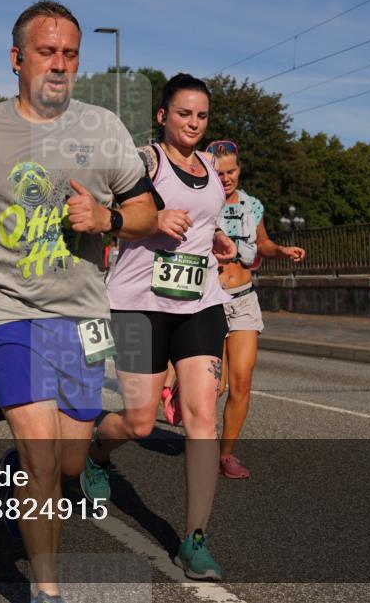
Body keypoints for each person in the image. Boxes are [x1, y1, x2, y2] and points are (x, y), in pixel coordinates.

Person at [0, 0, 159, 603]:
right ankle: (46, 591)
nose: (59, 64)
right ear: (17, 59)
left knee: (69, 461)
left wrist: (108, 216)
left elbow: (146, 210)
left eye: (70, 53)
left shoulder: (103, 127)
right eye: (47, 52)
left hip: (85, 316)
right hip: (7, 311)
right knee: (41, 457)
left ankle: (90, 457)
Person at [80, 75, 236, 581]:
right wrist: (149, 221)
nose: (193, 123)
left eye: (202, 115)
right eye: (184, 114)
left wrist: (217, 241)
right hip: (136, 305)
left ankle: (195, 540)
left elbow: (205, 219)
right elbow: (104, 215)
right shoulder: (143, 162)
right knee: (141, 421)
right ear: (162, 116)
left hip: (200, 302)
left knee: (201, 418)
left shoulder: (211, 167)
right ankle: (96, 454)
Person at [208, 140, 306, 479]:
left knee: (241, 382)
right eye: (219, 172)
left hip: (244, 299)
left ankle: (226, 456)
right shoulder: (201, 202)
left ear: (240, 169)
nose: (225, 178)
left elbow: (261, 243)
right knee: (213, 388)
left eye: (231, 170)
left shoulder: (252, 205)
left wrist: (281, 249)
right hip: (209, 299)